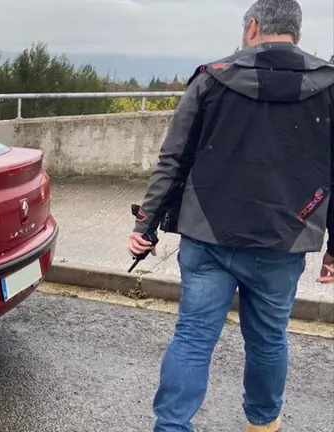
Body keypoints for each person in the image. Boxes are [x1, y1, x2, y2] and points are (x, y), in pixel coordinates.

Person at [127, 1, 334, 431]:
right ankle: (262, 426)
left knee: (193, 339)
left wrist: (145, 225)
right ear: (296, 30)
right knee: (269, 340)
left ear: (253, 26)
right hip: (286, 238)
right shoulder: (329, 85)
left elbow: (173, 159)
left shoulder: (212, 77)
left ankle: (171, 427)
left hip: (208, 236)